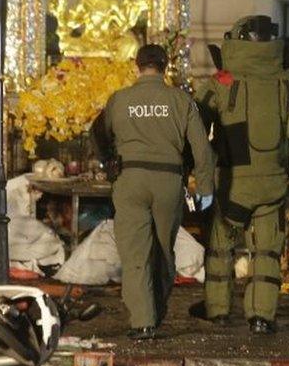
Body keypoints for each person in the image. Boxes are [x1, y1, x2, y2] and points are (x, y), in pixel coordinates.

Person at [197, 15, 289, 335]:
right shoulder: (288, 84)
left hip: (232, 183)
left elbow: (195, 128)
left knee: (221, 248)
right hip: (273, 184)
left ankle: (219, 310)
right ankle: (261, 317)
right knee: (267, 251)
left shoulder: (221, 83)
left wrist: (201, 168)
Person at [91, 44, 216, 340]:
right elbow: (202, 148)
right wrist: (206, 186)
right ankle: (156, 311)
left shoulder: (120, 100)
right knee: (163, 250)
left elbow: (97, 133)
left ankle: (143, 321)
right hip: (169, 182)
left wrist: (106, 162)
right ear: (165, 66)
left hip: (130, 179)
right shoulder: (180, 100)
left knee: (136, 253)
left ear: (137, 66)